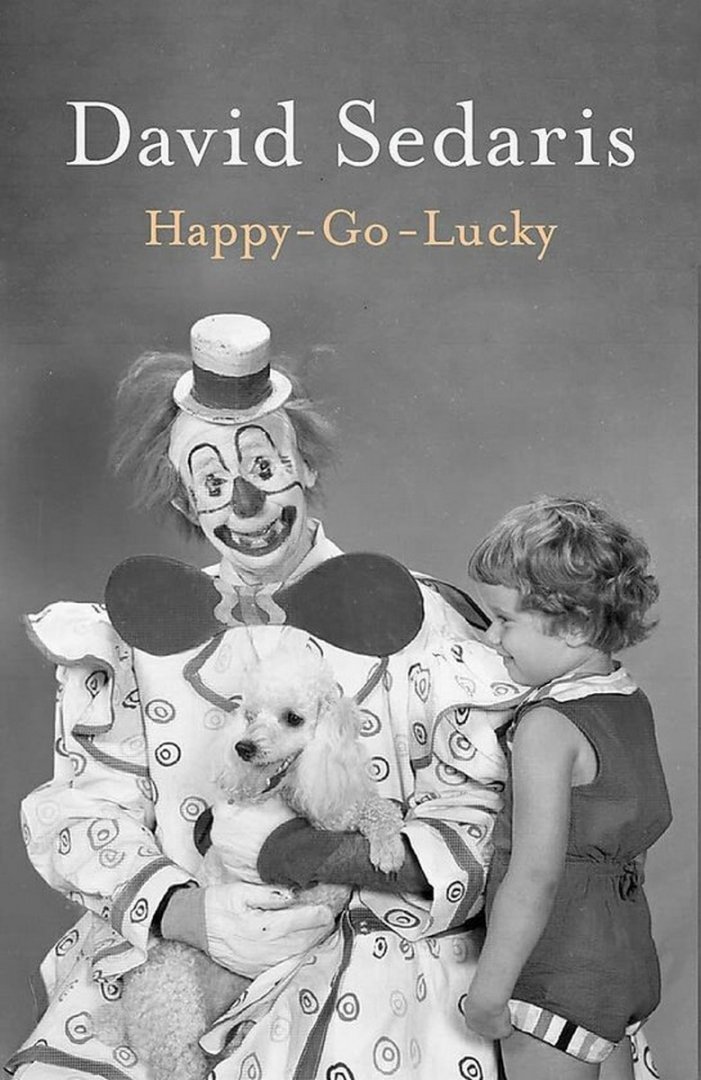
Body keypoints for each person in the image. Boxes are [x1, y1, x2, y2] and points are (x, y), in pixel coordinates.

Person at [8, 313, 525, 1080]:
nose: (244, 502)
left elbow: (489, 815)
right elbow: (82, 814)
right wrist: (190, 914)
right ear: (187, 504)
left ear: (304, 466)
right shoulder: (128, 636)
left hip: (384, 963)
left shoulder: (425, 620)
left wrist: (327, 860)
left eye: (263, 466)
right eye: (213, 483)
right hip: (186, 956)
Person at [462, 496, 672, 1080]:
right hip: (623, 955)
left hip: (556, 967)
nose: (491, 637)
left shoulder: (548, 726)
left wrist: (489, 991)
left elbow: (535, 874)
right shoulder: (628, 701)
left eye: (505, 620)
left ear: (575, 625)